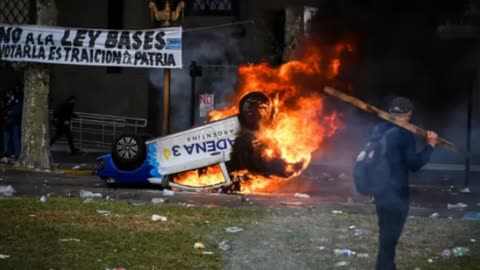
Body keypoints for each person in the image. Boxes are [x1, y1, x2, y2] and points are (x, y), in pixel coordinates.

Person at [370, 97, 438, 270]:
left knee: (386, 233)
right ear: (409, 114)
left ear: (391, 112)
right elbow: (414, 164)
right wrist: (430, 146)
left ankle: (386, 266)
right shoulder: (404, 133)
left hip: (379, 190)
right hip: (395, 192)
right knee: (390, 236)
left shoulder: (379, 128)